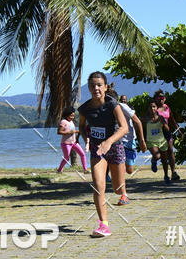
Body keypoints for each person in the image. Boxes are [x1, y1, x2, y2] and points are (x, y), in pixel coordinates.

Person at [78, 72, 129, 237]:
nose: (96, 88)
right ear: (89, 88)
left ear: (105, 87)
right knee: (98, 185)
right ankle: (104, 225)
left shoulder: (113, 105)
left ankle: (123, 192)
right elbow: (81, 127)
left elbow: (124, 128)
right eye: (92, 85)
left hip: (115, 148)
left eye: (99, 85)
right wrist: (86, 139)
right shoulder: (84, 108)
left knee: (117, 188)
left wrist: (108, 142)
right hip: (97, 149)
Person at [153, 90, 181, 181]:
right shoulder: (154, 109)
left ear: (164, 99)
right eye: (159, 98)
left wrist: (179, 130)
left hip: (167, 132)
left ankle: (174, 172)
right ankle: (165, 174)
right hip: (158, 134)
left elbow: (172, 120)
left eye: (162, 98)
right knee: (163, 154)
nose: (161, 99)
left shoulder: (166, 107)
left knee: (171, 151)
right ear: (156, 99)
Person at [118, 95, 147, 175]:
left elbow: (137, 122)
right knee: (119, 164)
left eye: (124, 100)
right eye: (122, 100)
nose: (123, 101)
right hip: (120, 140)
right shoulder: (116, 108)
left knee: (129, 170)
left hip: (130, 140)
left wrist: (141, 141)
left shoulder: (128, 109)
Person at [145, 101, 171, 183]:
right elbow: (138, 125)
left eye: (154, 107)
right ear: (148, 109)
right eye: (150, 107)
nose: (152, 108)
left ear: (157, 108)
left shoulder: (160, 118)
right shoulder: (146, 119)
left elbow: (167, 128)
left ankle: (166, 176)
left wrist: (164, 124)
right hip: (151, 141)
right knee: (157, 155)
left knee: (164, 160)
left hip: (162, 141)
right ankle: (153, 161)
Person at [56, 106, 88, 173]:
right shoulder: (63, 121)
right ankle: (59, 170)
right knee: (66, 158)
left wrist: (77, 138)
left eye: (73, 116)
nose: (72, 117)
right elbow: (59, 132)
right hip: (66, 143)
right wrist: (69, 132)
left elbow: (74, 132)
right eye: (71, 116)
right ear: (66, 115)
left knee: (83, 154)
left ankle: (85, 169)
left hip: (74, 143)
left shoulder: (71, 122)